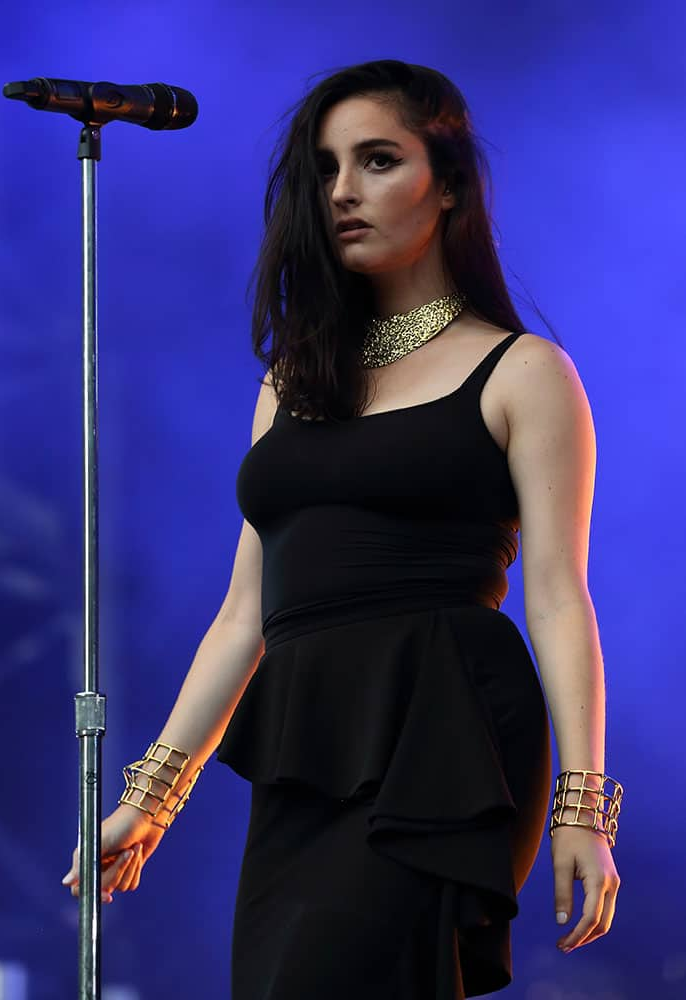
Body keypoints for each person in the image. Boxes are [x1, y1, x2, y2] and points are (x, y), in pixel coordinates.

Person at [61, 59, 623, 998]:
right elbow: (247, 613)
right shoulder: (292, 382)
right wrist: (147, 798)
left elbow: (561, 596)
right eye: (325, 169)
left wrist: (583, 806)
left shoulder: (526, 373)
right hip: (307, 749)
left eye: (376, 160)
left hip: (443, 739)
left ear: (447, 184)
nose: (343, 192)